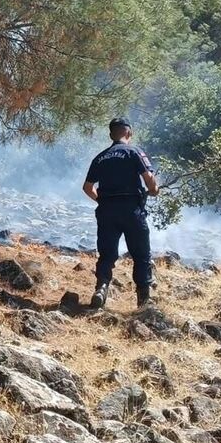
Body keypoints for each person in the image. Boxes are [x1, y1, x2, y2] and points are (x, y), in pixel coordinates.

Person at [82, 117, 159, 309]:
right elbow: (149, 179)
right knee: (141, 255)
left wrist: (102, 200)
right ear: (129, 133)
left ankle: (101, 289)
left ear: (111, 135)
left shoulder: (100, 157)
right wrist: (154, 189)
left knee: (107, 254)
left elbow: (87, 187)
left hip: (107, 210)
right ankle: (143, 300)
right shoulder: (134, 152)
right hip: (131, 209)